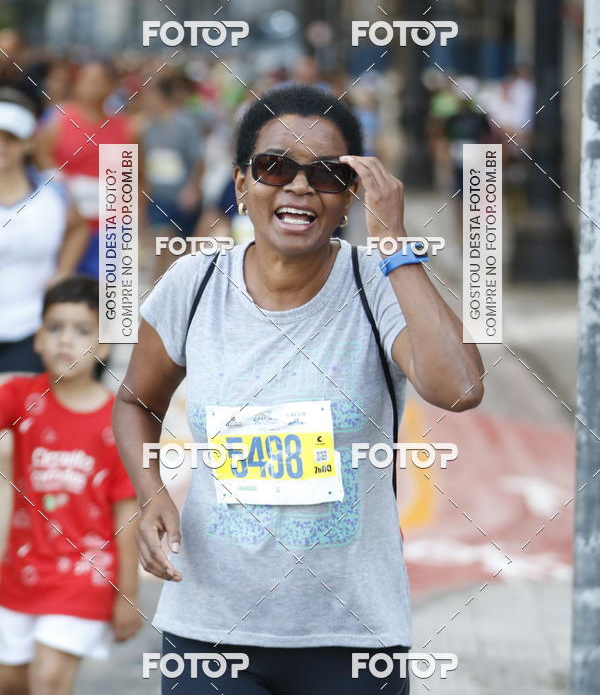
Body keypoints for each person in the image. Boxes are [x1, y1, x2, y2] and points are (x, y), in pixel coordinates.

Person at [114, 84, 484, 694]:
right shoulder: (195, 282)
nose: (299, 186)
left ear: (351, 195)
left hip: (353, 637)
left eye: (328, 175)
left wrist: (393, 242)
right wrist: (152, 494)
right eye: (274, 166)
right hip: (210, 629)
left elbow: (462, 388)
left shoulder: (378, 286)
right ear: (241, 185)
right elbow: (135, 400)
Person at [0, 276, 142, 695]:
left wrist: (127, 594)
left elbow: (127, 515)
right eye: (55, 328)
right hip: (20, 574)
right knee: (11, 683)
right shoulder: (20, 397)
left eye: (82, 331)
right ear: (38, 337)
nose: (66, 341)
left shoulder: (118, 422)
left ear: (103, 347)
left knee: (48, 680)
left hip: (85, 576)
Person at [0, 90, 88, 374]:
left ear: (27, 144)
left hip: (31, 328)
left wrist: (63, 272)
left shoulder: (53, 190)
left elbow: (78, 228)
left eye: (10, 138)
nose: (2, 146)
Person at [37, 60, 135, 278]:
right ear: (77, 84)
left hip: (110, 228)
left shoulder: (126, 128)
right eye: (88, 80)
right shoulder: (57, 121)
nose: (93, 86)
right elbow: (41, 163)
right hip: (66, 225)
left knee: (107, 297)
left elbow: (135, 180)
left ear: (111, 86)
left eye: (99, 81)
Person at [141, 76, 204, 274]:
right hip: (157, 196)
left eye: (151, 95)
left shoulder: (184, 125)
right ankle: (157, 285)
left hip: (179, 197)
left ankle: (171, 284)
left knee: (176, 248)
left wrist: (192, 188)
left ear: (162, 97)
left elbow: (198, 160)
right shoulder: (148, 126)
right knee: (160, 240)